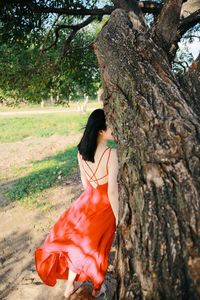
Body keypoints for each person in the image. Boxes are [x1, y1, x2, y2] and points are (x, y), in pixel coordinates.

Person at [35, 108, 119, 298]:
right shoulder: (111, 153)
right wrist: (119, 217)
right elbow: (113, 191)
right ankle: (98, 288)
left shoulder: (81, 151)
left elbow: (85, 183)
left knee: (78, 245)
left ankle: (70, 285)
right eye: (111, 125)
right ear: (100, 130)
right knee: (100, 246)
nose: (114, 128)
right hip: (104, 206)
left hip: (86, 202)